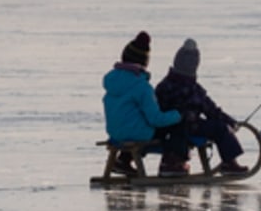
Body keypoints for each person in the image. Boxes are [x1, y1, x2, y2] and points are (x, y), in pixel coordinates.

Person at [153, 38, 248, 176]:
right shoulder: (194, 90)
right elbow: (212, 111)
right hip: (188, 127)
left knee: (180, 128)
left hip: (169, 128)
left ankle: (172, 162)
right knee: (219, 128)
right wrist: (229, 122)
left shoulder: (164, 86)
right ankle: (229, 162)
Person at [100, 31, 185, 179]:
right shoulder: (142, 87)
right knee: (171, 127)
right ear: (144, 62)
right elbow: (155, 119)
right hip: (137, 134)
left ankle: (123, 160)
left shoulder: (112, 81)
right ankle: (173, 163)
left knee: (134, 121)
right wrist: (178, 115)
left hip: (115, 133)